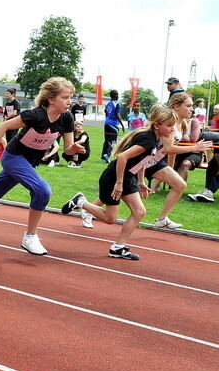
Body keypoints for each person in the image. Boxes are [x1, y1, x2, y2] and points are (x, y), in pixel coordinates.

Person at [0, 77, 83, 255]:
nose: (69, 101)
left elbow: (67, 148)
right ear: (51, 99)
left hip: (30, 162)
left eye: (71, 97)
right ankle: (30, 236)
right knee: (42, 190)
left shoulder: (67, 118)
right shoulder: (35, 115)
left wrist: (74, 148)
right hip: (14, 157)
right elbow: (1, 127)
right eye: (65, 97)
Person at [61, 106, 179, 260]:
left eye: (173, 125)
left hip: (128, 177)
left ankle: (118, 248)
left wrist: (141, 181)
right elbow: (123, 157)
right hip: (113, 178)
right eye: (169, 125)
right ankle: (81, 202)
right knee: (110, 219)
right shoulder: (148, 139)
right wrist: (119, 183)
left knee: (139, 212)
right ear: (157, 125)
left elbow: (142, 160)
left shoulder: (154, 139)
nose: (172, 129)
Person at [144, 92, 212, 228]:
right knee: (119, 189)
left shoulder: (183, 124)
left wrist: (169, 169)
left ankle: (162, 219)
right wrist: (195, 147)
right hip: (142, 159)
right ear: (176, 107)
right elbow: (169, 148)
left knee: (180, 185)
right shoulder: (171, 122)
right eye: (188, 106)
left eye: (192, 106)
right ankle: (89, 209)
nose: (192, 109)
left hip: (154, 161)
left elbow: (170, 150)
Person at [101, 89, 123, 161]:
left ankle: (103, 158)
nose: (118, 96)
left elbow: (105, 112)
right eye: (117, 95)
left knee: (107, 140)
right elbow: (117, 114)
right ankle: (107, 155)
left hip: (106, 123)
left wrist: (108, 119)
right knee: (113, 141)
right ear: (116, 95)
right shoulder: (117, 104)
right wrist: (122, 124)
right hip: (113, 124)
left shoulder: (108, 104)